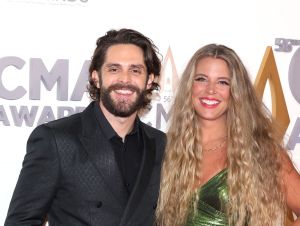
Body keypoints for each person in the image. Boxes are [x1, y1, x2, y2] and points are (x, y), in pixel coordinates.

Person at [5, 28, 166, 226]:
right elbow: (21, 221)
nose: (125, 79)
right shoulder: (56, 140)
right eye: (114, 69)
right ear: (96, 77)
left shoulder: (161, 144)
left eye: (135, 70)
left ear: (149, 80)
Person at [155, 44, 300, 226]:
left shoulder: (260, 151)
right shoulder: (164, 148)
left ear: (237, 92)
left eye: (223, 82)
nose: (210, 90)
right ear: (189, 86)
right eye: (201, 79)